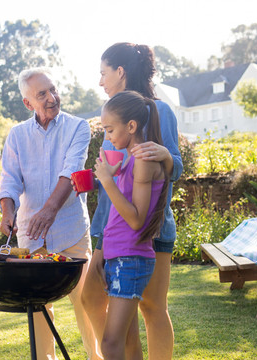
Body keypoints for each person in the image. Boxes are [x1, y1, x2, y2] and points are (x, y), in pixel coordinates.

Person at [81, 42, 183, 360]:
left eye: (103, 73)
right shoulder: (115, 118)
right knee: (91, 298)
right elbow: (113, 183)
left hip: (149, 230)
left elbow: (175, 169)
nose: (100, 81)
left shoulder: (157, 111)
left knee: (152, 307)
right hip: (112, 231)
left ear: (120, 72)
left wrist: (166, 155)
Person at [0, 67, 102, 360]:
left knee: (87, 301)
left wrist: (49, 210)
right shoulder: (17, 135)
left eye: (53, 90)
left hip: (70, 228)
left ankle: (98, 357)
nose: (52, 97)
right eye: (42, 94)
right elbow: (10, 180)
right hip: (33, 234)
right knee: (39, 306)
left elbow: (72, 169)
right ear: (28, 103)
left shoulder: (78, 127)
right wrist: (7, 210)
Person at [95, 90, 170, 359]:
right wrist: (105, 254)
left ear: (131, 126)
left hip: (131, 259)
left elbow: (136, 219)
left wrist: (106, 181)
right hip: (120, 257)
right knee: (126, 342)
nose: (109, 136)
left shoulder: (142, 160)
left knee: (110, 344)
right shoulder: (130, 160)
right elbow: (116, 217)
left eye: (110, 129)